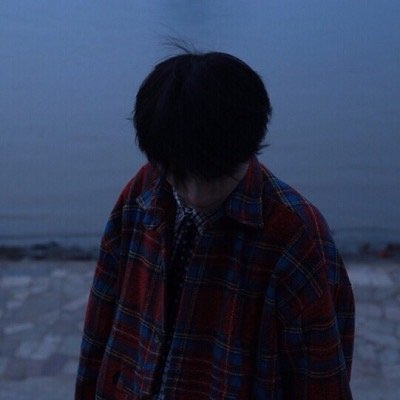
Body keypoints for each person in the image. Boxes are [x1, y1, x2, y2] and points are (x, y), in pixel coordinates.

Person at [75, 48, 355, 399]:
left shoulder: (295, 236)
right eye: (179, 174)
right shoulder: (141, 194)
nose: (195, 194)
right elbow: (99, 324)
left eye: (212, 176)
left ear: (248, 147)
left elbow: (322, 381)